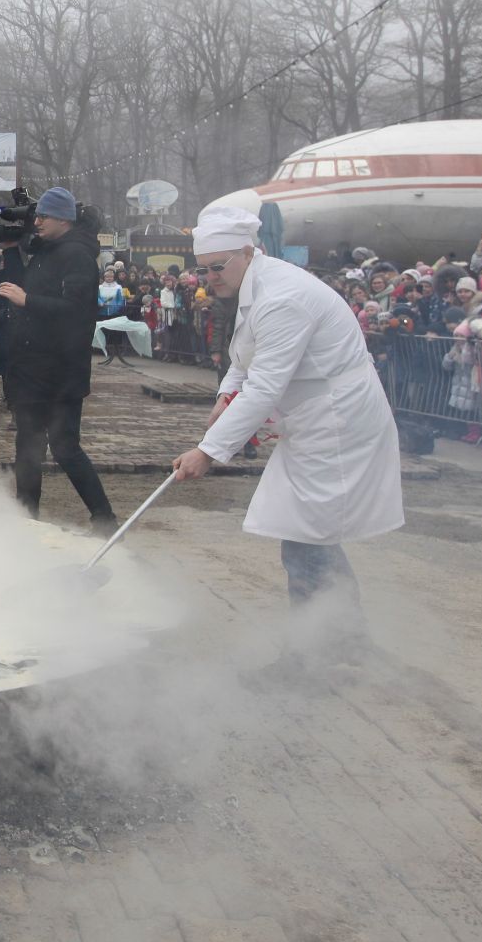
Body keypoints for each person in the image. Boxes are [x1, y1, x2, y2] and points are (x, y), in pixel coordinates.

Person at [170, 205, 402, 672]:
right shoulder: (257, 285)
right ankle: (347, 640)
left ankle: (314, 658)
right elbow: (246, 354)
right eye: (203, 269)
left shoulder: (283, 297)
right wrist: (225, 394)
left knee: (305, 536)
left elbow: (267, 385)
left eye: (218, 267)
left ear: (247, 253)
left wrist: (209, 451)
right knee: (310, 534)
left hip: (338, 422)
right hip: (316, 420)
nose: (210, 277)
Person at [0, 188, 118, 535]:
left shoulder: (76, 255)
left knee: (65, 447)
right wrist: (12, 256)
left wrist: (28, 300)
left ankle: (104, 519)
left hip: (60, 371)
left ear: (63, 219)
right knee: (28, 446)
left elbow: (77, 313)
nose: (37, 221)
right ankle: (26, 517)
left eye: (44, 216)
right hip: (34, 367)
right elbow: (17, 289)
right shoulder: (48, 251)